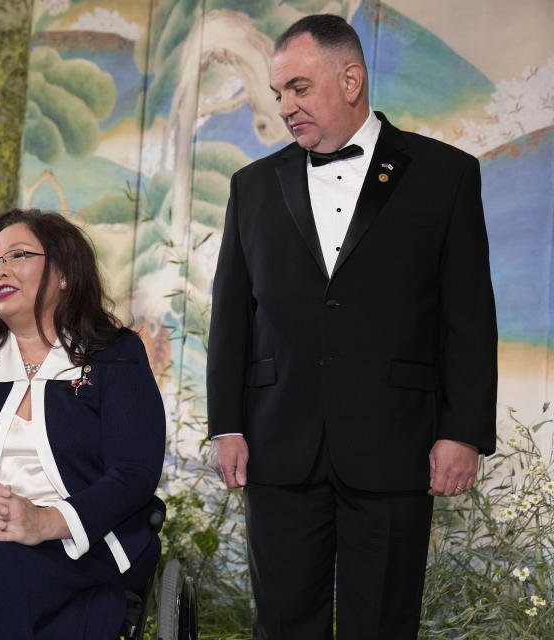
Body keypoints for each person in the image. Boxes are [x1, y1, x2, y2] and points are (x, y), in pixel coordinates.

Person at [206, 14, 497, 640]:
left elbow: (468, 317)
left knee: (384, 626)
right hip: (278, 447)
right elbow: (231, 316)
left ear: (351, 80)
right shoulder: (251, 187)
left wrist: (464, 432)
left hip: (397, 447)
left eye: (299, 89)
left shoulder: (446, 176)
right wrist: (226, 424)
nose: (285, 106)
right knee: (282, 625)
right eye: (279, 92)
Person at [0, 208, 166, 639]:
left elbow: (134, 473)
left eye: (17, 255)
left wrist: (44, 521)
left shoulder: (114, 355)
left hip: (89, 539)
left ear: (64, 273)